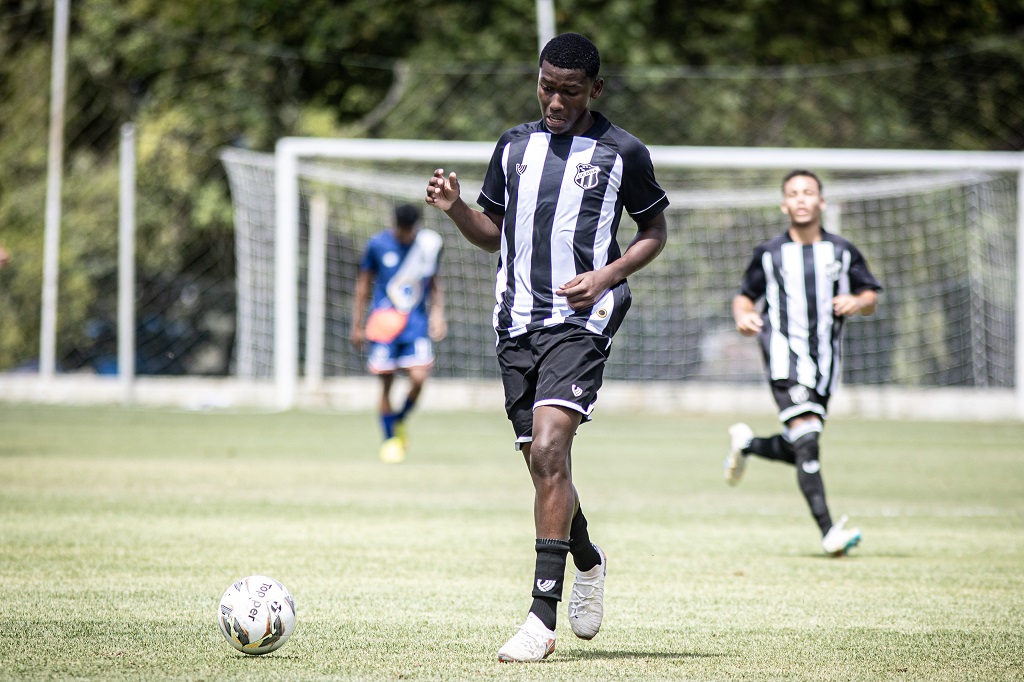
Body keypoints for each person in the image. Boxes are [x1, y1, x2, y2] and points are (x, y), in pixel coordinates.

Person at [425, 32, 669, 663]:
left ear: (595, 88)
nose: (555, 101)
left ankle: (540, 616)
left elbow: (654, 231)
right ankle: (586, 559)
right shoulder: (512, 147)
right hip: (515, 322)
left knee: (552, 444)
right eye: (546, 87)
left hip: (582, 318)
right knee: (539, 462)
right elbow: (493, 234)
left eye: (568, 90)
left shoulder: (622, 152)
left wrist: (607, 275)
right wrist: (455, 209)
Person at [726, 169, 882, 557]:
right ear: (784, 204)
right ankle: (829, 532)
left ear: (821, 202)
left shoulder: (842, 251)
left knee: (801, 443)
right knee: (808, 440)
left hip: (825, 365)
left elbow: (870, 295)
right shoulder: (769, 253)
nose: (800, 199)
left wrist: (858, 302)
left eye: (808, 192)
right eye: (792, 193)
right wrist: (743, 317)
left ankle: (748, 444)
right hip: (783, 358)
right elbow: (745, 297)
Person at [350, 203, 447, 464]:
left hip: (415, 323)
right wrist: (357, 324)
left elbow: (434, 282)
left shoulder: (427, 246)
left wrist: (438, 314)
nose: (406, 235)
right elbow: (363, 285)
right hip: (384, 325)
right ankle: (390, 439)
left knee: (418, 378)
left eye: (410, 230)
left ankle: (399, 419)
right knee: (386, 383)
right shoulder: (377, 245)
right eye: (402, 230)